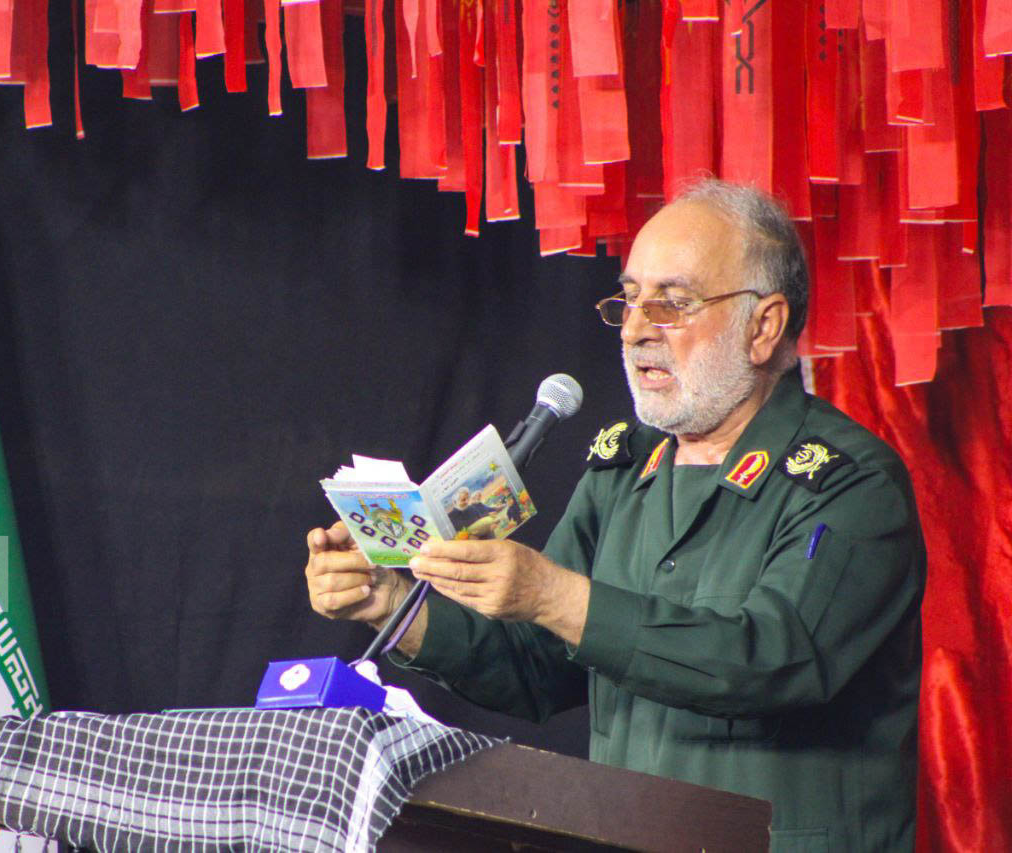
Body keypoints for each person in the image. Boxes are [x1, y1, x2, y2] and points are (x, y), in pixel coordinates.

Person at [304, 179, 925, 851]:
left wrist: (554, 594)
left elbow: (772, 662)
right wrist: (393, 604)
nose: (634, 330)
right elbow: (540, 667)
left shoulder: (851, 483)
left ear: (764, 327)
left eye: (672, 304)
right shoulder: (625, 471)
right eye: (629, 300)